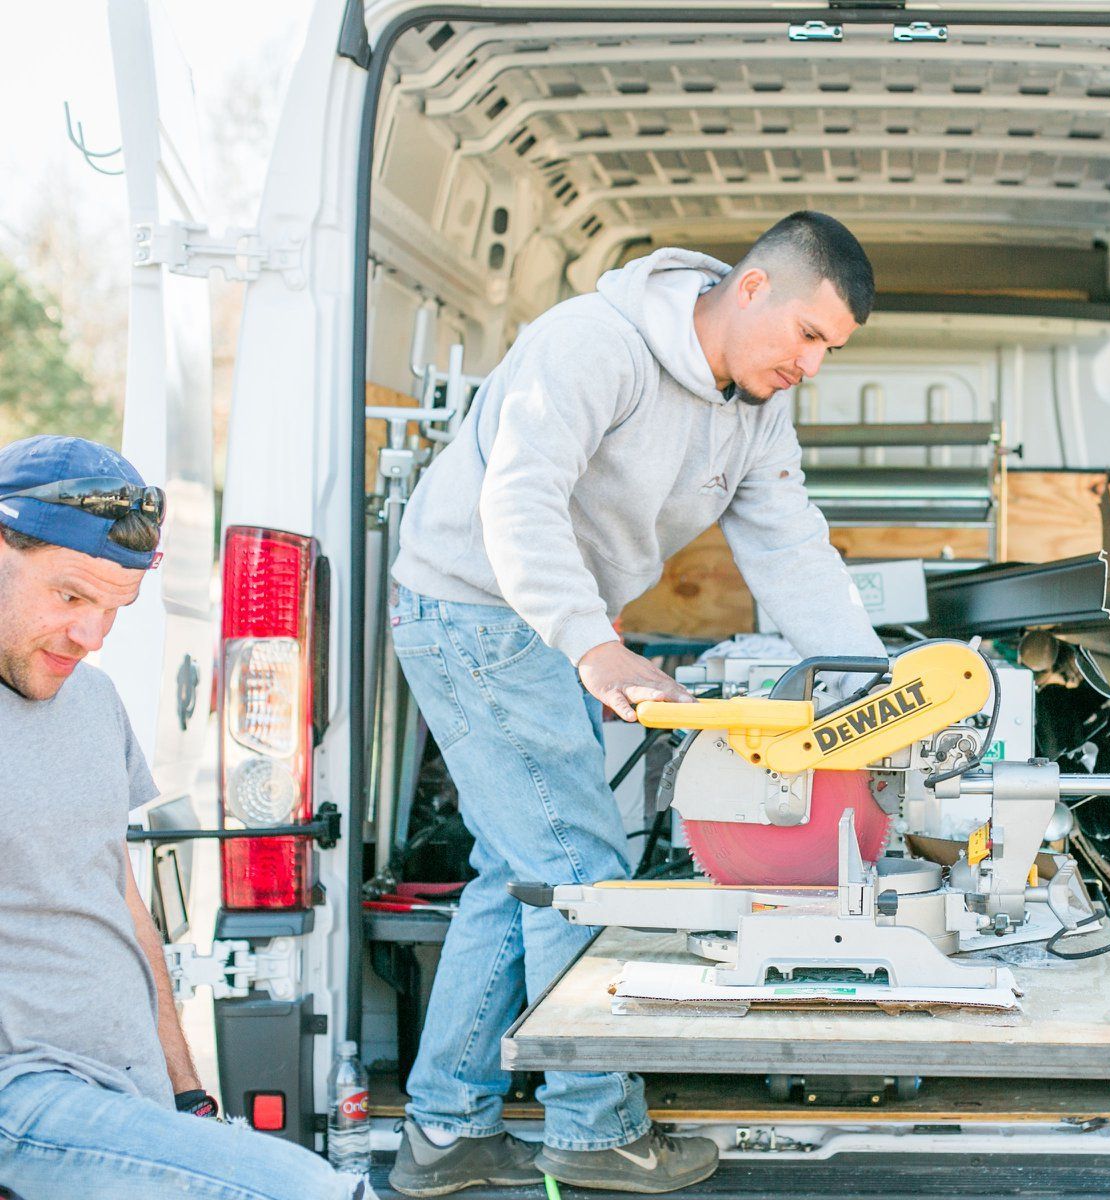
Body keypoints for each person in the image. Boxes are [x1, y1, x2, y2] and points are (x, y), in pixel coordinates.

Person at [384, 211, 884, 1195]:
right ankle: (592, 1132)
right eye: (810, 335)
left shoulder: (756, 406)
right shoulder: (590, 344)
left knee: (518, 869)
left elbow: (789, 543)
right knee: (579, 865)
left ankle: (445, 1132)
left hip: (540, 624)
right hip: (473, 608)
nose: (814, 364)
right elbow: (516, 499)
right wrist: (595, 643)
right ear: (751, 290)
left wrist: (870, 685)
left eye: (831, 348)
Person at [0, 435, 364, 1200]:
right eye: (70, 597)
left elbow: (122, 903)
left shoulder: (90, 700)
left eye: (113, 610)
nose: (91, 637)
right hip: (24, 1098)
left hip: (123, 1094)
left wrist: (187, 1093)